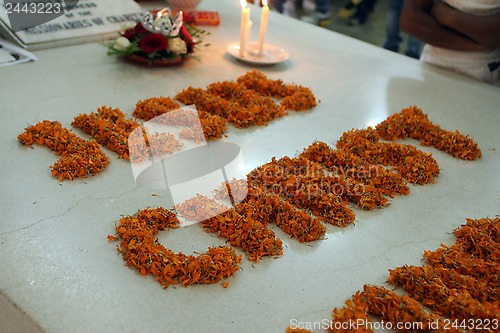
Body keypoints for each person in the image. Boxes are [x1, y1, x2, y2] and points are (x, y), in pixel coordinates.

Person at [401, 0, 500, 86]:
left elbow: (495, 33)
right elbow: (410, 20)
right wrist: (472, 44)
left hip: (482, 70)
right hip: (433, 61)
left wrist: (447, 16)